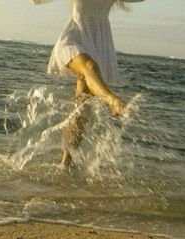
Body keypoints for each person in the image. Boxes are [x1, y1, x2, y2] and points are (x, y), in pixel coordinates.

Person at [30, 0, 144, 165]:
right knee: (90, 66)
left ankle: (65, 163)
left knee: (81, 109)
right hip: (73, 39)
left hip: (97, 43)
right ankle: (112, 100)